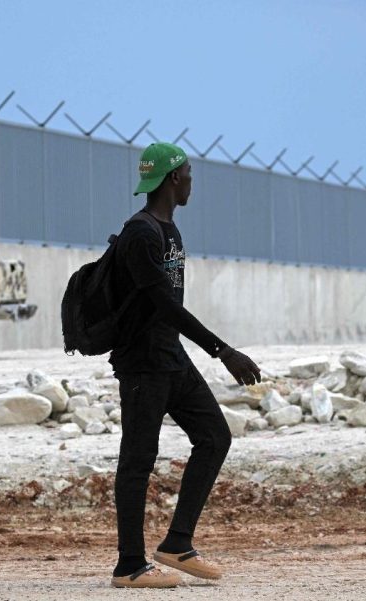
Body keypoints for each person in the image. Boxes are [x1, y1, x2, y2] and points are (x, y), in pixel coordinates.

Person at [107, 143, 263, 588]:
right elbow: (165, 305)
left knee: (214, 437)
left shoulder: (168, 230)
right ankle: (129, 566)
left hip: (171, 356)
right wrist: (222, 351)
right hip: (143, 363)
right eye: (189, 174)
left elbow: (167, 309)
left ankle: (177, 543)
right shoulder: (140, 233)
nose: (192, 181)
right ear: (174, 177)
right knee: (137, 460)